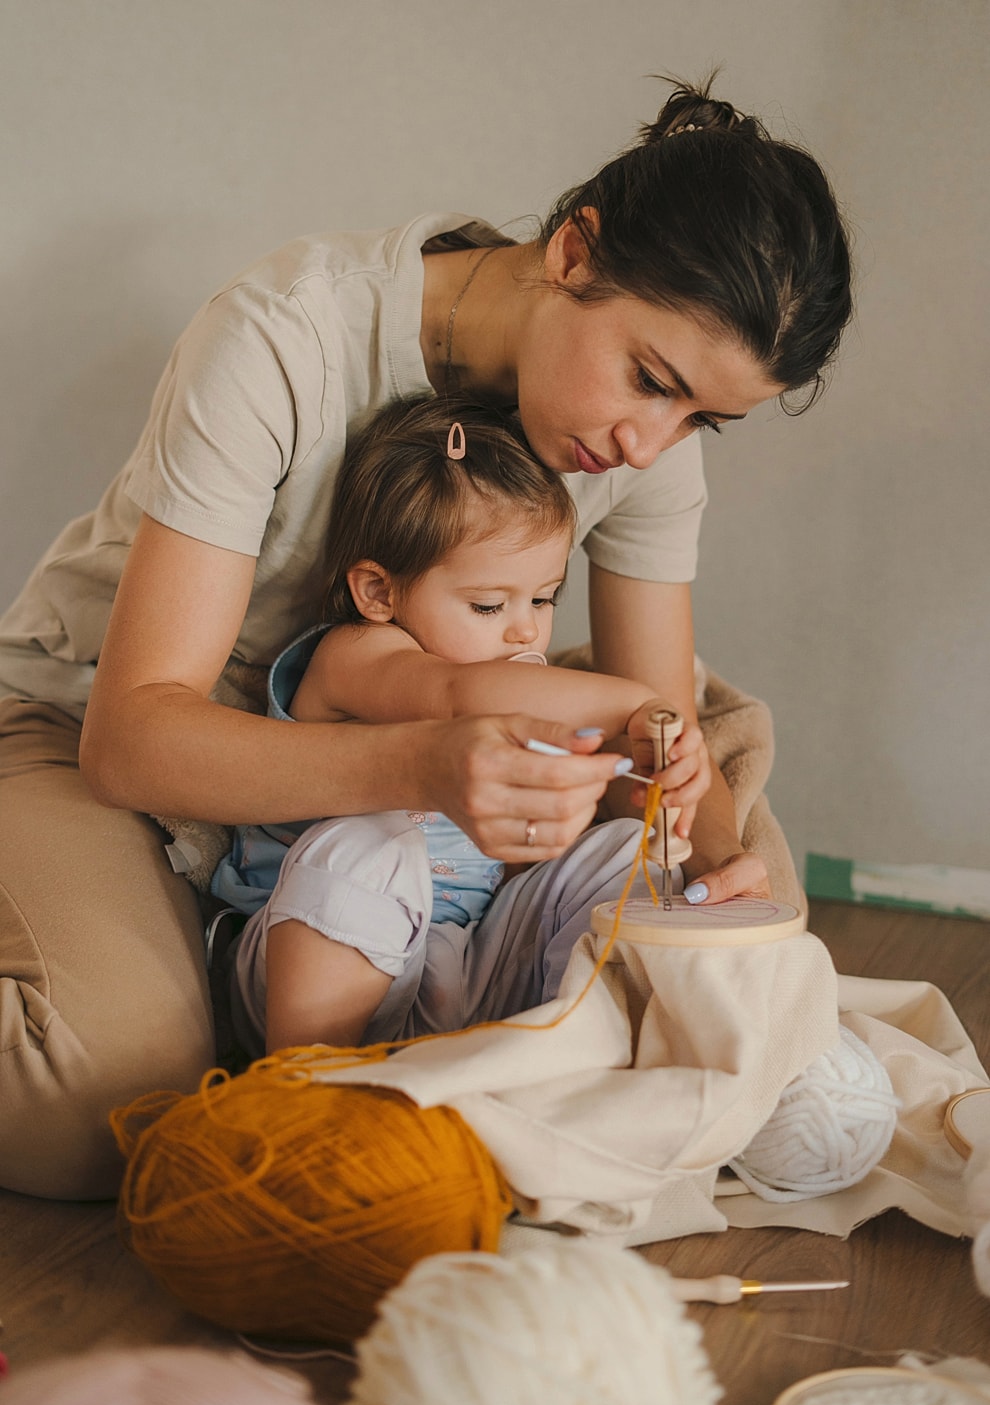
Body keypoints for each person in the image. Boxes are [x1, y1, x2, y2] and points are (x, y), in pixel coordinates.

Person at [0, 75, 852, 1198]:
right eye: (652, 381)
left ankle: (297, 994)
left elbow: (659, 710)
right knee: (94, 1105)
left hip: (427, 767)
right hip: (116, 734)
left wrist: (710, 846)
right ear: (573, 252)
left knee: (731, 898)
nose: (652, 445)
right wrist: (416, 764)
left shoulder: (640, 447)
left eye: (701, 419)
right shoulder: (284, 337)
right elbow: (134, 737)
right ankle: (216, 986)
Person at [221, 395, 701, 1056]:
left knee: (623, 852)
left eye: (543, 597)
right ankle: (305, 1094)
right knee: (370, 849)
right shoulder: (358, 656)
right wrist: (632, 706)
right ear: (380, 593)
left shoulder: (521, 696)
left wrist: (648, 775)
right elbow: (452, 694)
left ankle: (572, 1054)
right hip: (309, 976)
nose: (526, 628)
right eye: (487, 604)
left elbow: (527, 856)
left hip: (468, 968)